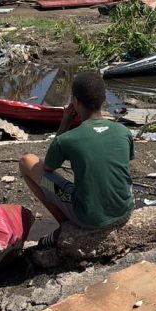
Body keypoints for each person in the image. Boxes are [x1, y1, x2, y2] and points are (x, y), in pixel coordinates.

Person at [19, 72, 135, 247]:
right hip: (124, 210)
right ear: (103, 98)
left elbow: (48, 167)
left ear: (75, 101)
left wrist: (64, 123)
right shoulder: (123, 131)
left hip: (88, 217)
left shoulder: (67, 139)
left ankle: (65, 225)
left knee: (27, 162)